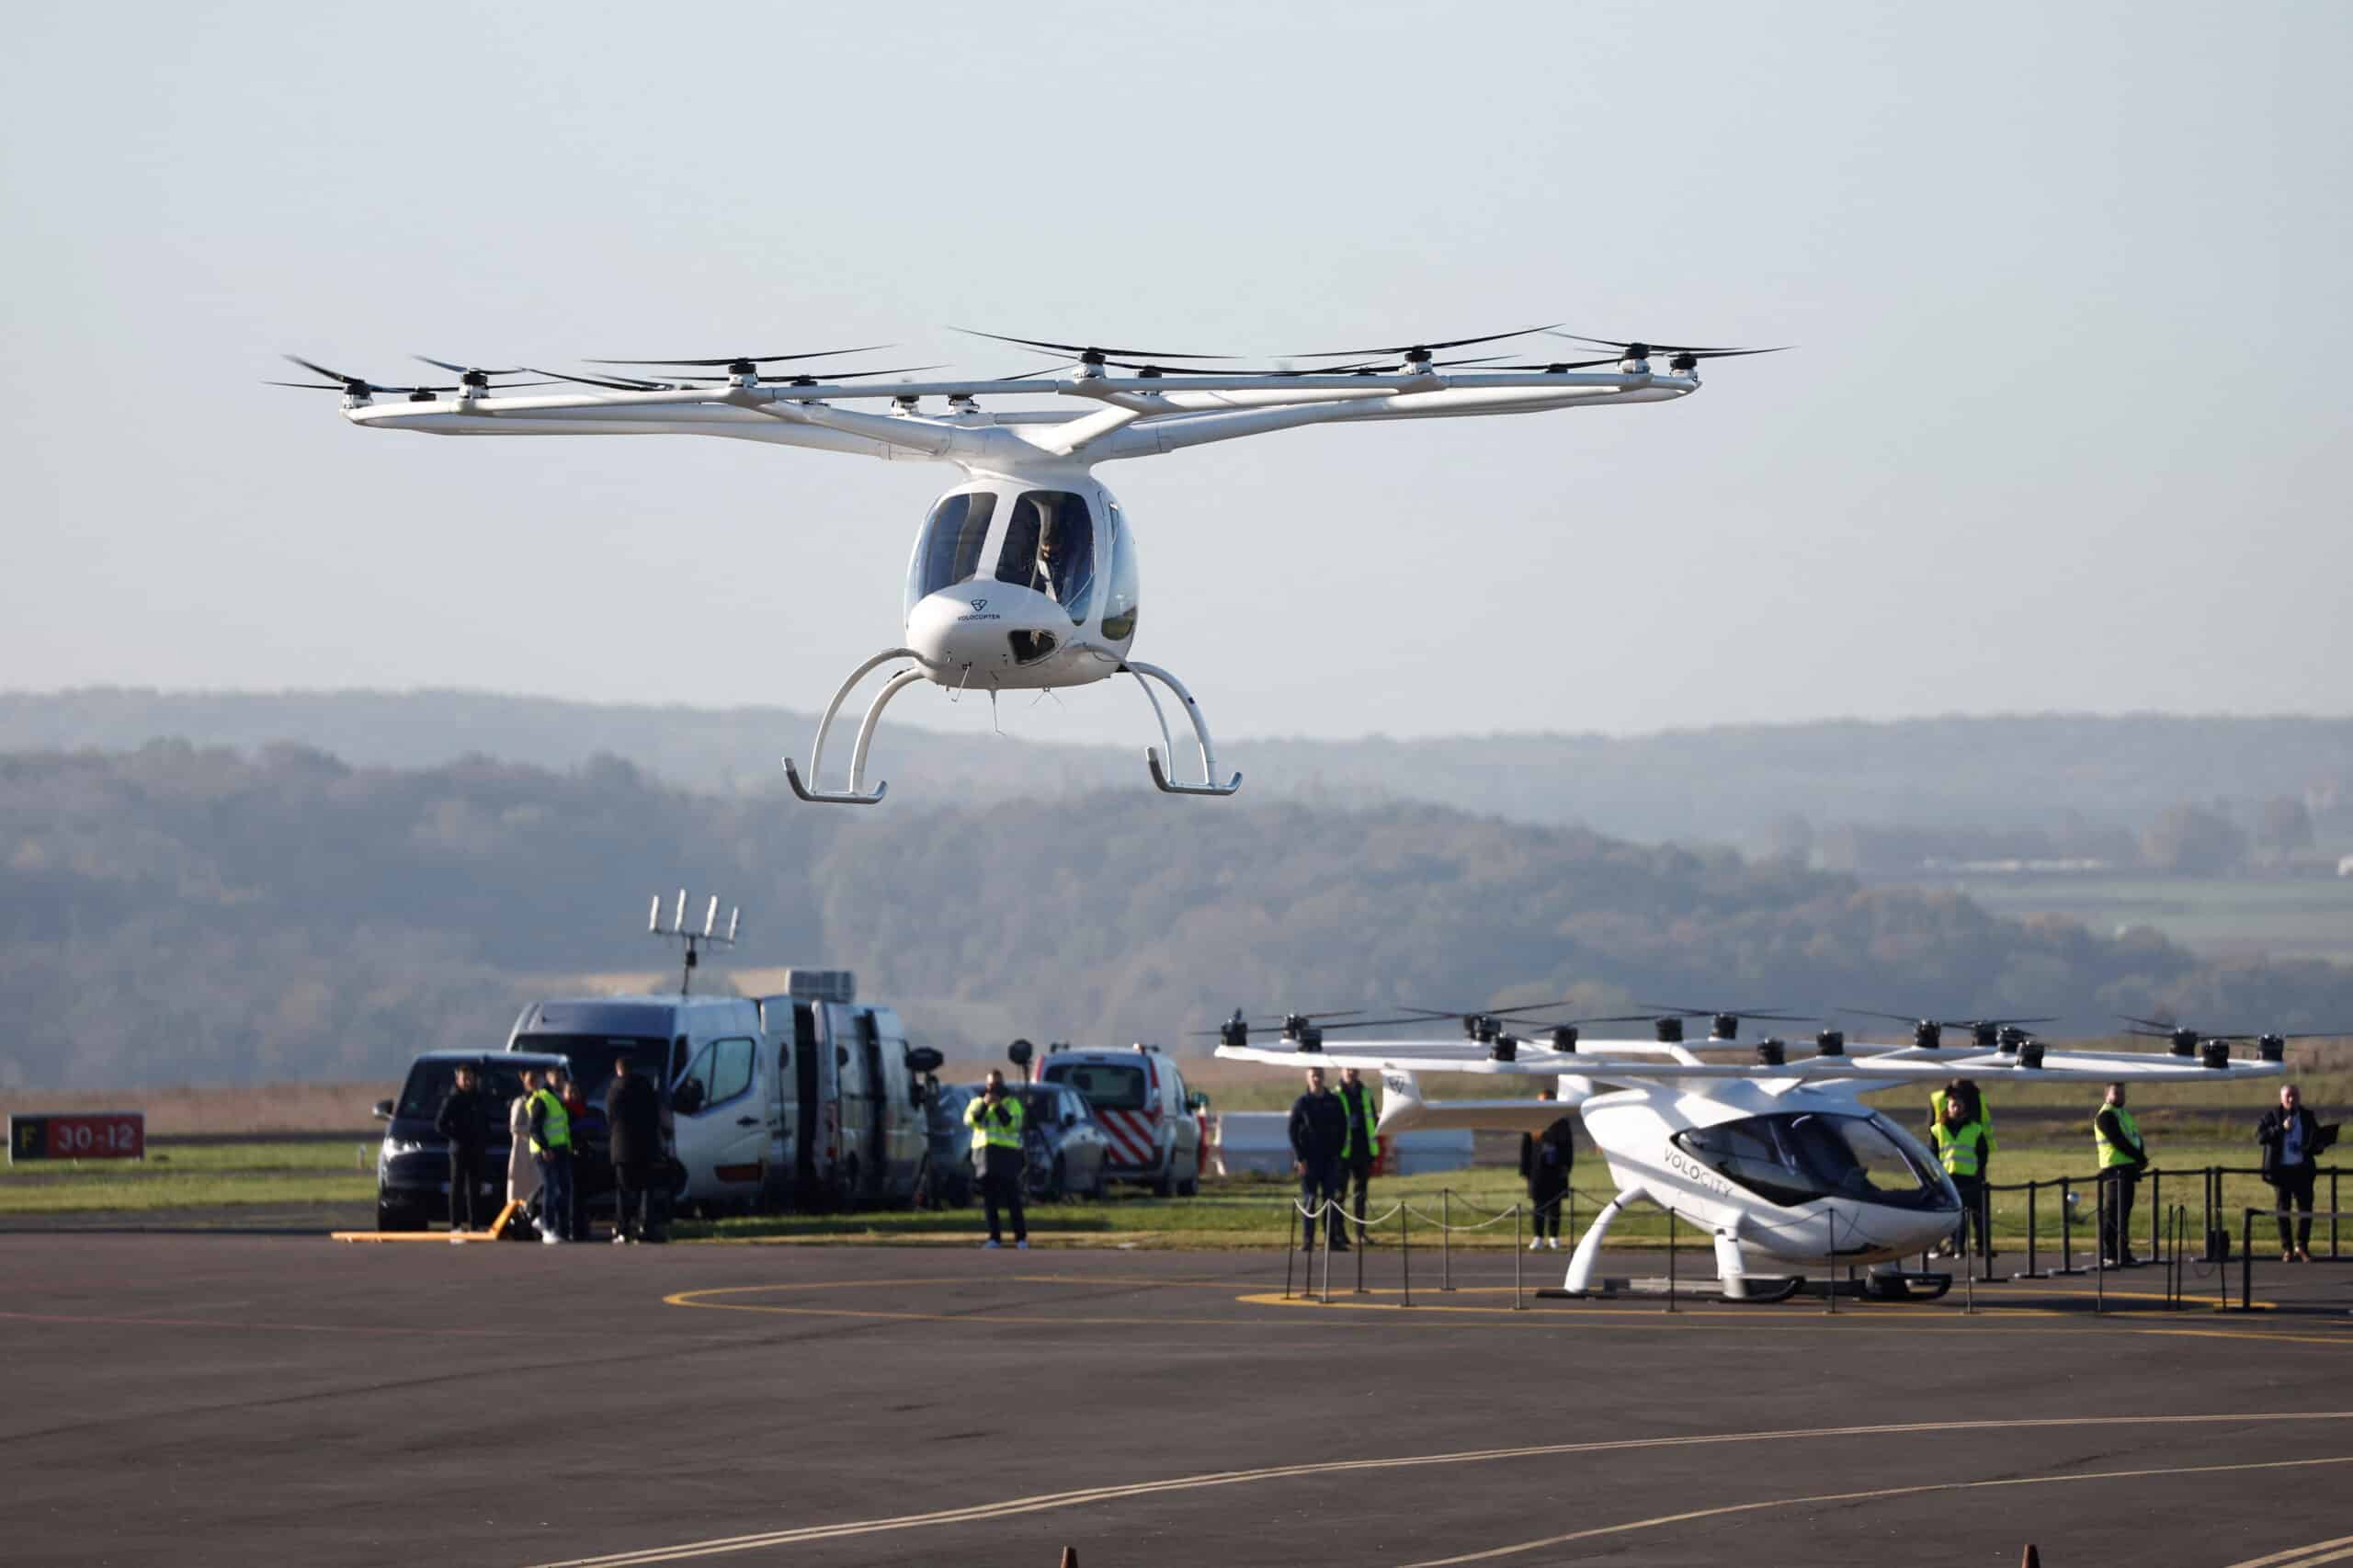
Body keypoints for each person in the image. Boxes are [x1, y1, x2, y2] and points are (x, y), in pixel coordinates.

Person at [2256, 1084, 2336, 1263]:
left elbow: (2314, 1141)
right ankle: (2287, 1249)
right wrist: (2280, 1128)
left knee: (2305, 1209)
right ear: (2282, 1098)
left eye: (2295, 1096)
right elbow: (2261, 1137)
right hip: (2281, 1171)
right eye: (2288, 1096)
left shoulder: (2307, 1116)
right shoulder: (2272, 1116)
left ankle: (2302, 1246)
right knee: (2282, 1210)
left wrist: (2320, 1145)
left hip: (2302, 1170)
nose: (2292, 1100)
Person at [605, 1050, 664, 1245]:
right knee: (646, 1188)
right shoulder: (645, 1087)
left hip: (621, 1147)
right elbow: (654, 1115)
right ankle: (645, 1226)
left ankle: (623, 1228)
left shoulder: (614, 1090)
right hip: (645, 1145)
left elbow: (610, 1118)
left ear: (618, 1070)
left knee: (623, 1190)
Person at [965, 1070, 1028, 1249]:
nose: (993, 1089)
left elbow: (1013, 1125)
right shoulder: (977, 1101)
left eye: (997, 1085)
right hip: (984, 1156)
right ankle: (994, 1237)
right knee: (989, 1199)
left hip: (1006, 1155)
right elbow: (970, 1121)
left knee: (1012, 1198)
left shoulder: (1012, 1103)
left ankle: (1020, 1238)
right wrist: (985, 1105)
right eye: (990, 1085)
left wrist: (999, 1107)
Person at [1288, 1065, 1347, 1253]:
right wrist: (1300, 1157)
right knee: (1310, 1199)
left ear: (1324, 1077)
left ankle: (1331, 1239)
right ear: (1308, 1078)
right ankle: (1308, 1239)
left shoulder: (1334, 1102)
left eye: (1319, 1075)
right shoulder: (1302, 1103)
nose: (1317, 1079)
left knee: (1330, 1200)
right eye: (1313, 1076)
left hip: (1330, 1160)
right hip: (1309, 1161)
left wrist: (1338, 1153)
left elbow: (1343, 1128)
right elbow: (1292, 1131)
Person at [1929, 1092, 1990, 1260]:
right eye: (1953, 1105)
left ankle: (1973, 1247)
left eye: (1959, 1105)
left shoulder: (1975, 1129)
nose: (1956, 1108)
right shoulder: (1938, 1130)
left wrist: (1978, 1171)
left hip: (1969, 1178)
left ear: (1964, 1107)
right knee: (1947, 1215)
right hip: (1947, 1178)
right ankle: (1947, 1247)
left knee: (1974, 1215)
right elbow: (1932, 1154)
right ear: (1947, 1107)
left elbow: (1982, 1153)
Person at [2093, 1081, 2147, 1267]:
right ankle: (2111, 1253)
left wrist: (2140, 1158)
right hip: (2115, 1169)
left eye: (2123, 1093)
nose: (2121, 1097)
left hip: (2127, 1168)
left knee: (2123, 1213)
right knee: (2114, 1213)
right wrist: (2139, 1157)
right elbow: (2119, 1141)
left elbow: (2135, 1137)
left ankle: (2122, 1252)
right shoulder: (2105, 1116)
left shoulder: (2123, 1114)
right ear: (2107, 1095)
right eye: (2116, 1093)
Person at [434, 1064, 492, 1233]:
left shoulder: (478, 1098)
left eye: (469, 1078)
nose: (467, 1082)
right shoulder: (452, 1099)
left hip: (476, 1149)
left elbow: (485, 1121)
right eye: (464, 1079)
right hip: (459, 1150)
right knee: (457, 1188)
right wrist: (458, 1135)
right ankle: (456, 1226)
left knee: (475, 1189)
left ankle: (475, 1225)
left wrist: (484, 1137)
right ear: (458, 1080)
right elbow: (440, 1124)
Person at [1519, 1085, 1574, 1251]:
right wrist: (1525, 1171)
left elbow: (1568, 1147)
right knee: (1539, 1205)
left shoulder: (1562, 1123)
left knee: (1555, 1206)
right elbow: (1525, 1148)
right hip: (1538, 1171)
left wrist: (1566, 1167)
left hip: (1556, 1170)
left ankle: (1554, 1237)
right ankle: (1538, 1237)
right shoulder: (1532, 1122)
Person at [530, 1066, 577, 1245]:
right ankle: (547, 1227)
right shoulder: (543, 1099)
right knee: (550, 1187)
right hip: (545, 1151)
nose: (559, 1082)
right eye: (555, 1079)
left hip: (561, 1149)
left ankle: (562, 1230)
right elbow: (534, 1127)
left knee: (565, 1189)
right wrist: (544, 1147)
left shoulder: (558, 1099)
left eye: (561, 1079)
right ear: (548, 1079)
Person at [1336, 1066, 1381, 1244]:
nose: (1351, 1072)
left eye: (1354, 1069)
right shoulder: (1336, 1094)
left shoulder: (1365, 1093)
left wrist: (1373, 1150)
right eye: (1348, 1069)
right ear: (1341, 1071)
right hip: (1343, 1152)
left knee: (1360, 1194)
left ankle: (1360, 1233)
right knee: (1340, 1194)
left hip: (1363, 1150)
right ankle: (1339, 1233)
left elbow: (1373, 1120)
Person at [505, 1069, 542, 1234]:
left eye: (535, 1079)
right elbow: (514, 1127)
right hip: (521, 1152)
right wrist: (533, 1129)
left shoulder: (541, 1100)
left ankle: (533, 1222)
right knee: (518, 1191)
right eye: (530, 1079)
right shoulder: (519, 1102)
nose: (533, 1083)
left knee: (536, 1189)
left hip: (535, 1151)